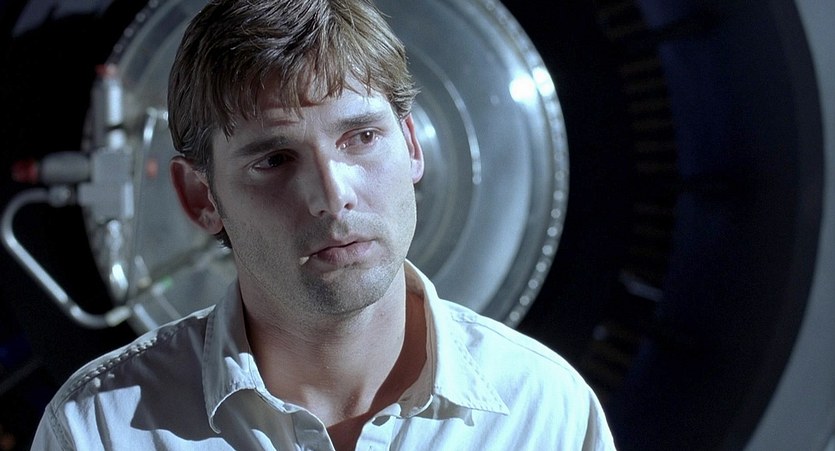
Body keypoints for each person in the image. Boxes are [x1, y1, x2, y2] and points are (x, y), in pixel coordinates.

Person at [31, 0, 616, 449]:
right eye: (274, 160)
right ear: (200, 196)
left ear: (411, 145)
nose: (333, 198)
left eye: (361, 137)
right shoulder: (100, 429)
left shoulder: (544, 413)